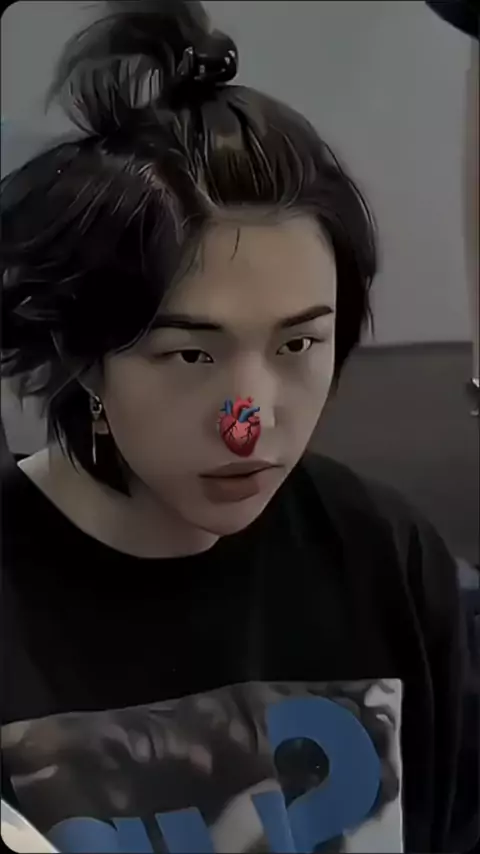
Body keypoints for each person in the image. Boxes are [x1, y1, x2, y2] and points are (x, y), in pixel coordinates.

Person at [1, 2, 478, 852]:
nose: (247, 427)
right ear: (85, 353)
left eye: (298, 344)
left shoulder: (385, 556)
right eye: (192, 355)